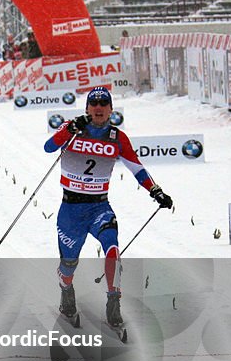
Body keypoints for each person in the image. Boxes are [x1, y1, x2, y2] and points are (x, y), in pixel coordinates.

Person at [43, 87, 172, 330]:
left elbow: (137, 167)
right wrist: (68, 130)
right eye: (94, 104)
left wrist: (155, 190)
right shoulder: (73, 128)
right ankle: (66, 290)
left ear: (112, 109)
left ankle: (114, 304)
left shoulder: (117, 138)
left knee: (112, 246)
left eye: (104, 104)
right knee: (68, 266)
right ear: (87, 108)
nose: (99, 108)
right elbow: (49, 147)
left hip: (99, 207)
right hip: (70, 211)